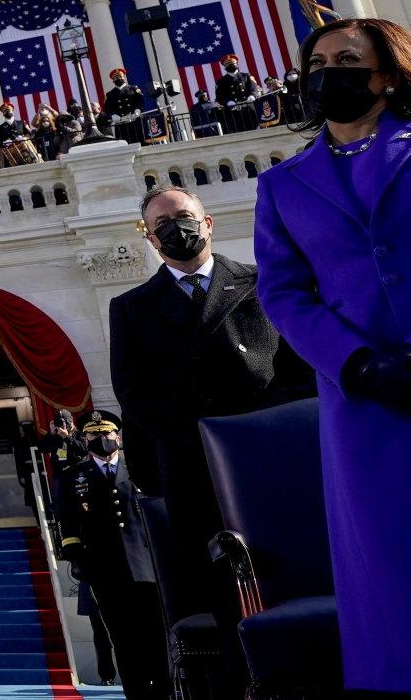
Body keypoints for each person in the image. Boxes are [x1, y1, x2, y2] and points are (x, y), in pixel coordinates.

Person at [252, 16, 411, 696]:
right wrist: (360, 364)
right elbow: (283, 294)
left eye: (344, 59)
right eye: (314, 64)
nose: (324, 73)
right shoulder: (281, 186)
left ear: (387, 73)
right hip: (367, 407)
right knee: (399, 580)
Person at [109, 185, 313, 642]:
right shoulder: (130, 308)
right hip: (193, 468)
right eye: (160, 224)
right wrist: (199, 433)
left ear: (208, 223)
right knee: (220, 592)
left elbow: (299, 371)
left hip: (271, 458)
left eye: (181, 215)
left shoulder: (262, 283)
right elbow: (132, 391)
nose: (174, 228)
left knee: (295, 577)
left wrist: (255, 430)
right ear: (150, 239)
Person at [56, 411, 164, 700]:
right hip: (104, 570)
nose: (101, 439)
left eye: (106, 433)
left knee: (156, 635)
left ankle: (164, 691)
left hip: (147, 567)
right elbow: (66, 521)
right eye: (93, 434)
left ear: (118, 435)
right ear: (85, 437)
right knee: (124, 640)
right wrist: (77, 557)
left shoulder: (141, 468)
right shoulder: (74, 476)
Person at [214, 54, 259, 132]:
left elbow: (254, 87)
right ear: (225, 67)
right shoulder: (221, 81)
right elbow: (219, 96)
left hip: (248, 109)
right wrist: (227, 102)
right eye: (228, 64)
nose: (231, 65)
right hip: (233, 112)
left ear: (237, 64)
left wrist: (252, 95)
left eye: (233, 64)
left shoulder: (246, 76)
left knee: (254, 128)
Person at [0, 103, 40, 168]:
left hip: (25, 151)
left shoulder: (21, 123)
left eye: (8, 110)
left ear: (12, 111)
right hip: (11, 154)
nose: (7, 112)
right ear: (3, 113)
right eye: (5, 111)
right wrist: (4, 143)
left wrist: (23, 138)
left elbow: (30, 135)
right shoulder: (0, 128)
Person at [102, 69, 145, 144]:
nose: (118, 79)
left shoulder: (133, 88)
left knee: (140, 140)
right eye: (116, 78)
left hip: (134, 119)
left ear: (124, 77)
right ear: (113, 80)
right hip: (121, 122)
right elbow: (108, 108)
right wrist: (113, 115)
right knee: (125, 142)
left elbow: (140, 100)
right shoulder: (110, 94)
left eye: (120, 76)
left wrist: (138, 109)